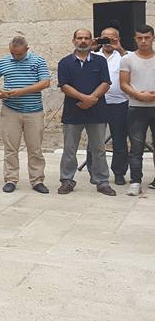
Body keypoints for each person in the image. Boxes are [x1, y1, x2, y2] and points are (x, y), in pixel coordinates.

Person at [0, 36, 51, 194]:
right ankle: (10, 179)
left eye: (19, 54)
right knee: (10, 148)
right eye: (13, 53)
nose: (15, 56)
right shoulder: (3, 62)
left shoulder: (38, 61)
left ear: (27, 49)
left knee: (35, 148)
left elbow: (45, 82)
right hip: (10, 111)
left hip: (34, 111)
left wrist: (20, 92)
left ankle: (37, 180)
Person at [56, 29, 115, 196]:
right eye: (79, 38)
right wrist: (85, 98)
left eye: (86, 38)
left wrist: (92, 99)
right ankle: (67, 180)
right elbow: (64, 86)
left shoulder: (100, 61)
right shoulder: (65, 63)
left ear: (91, 41)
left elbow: (106, 83)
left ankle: (102, 181)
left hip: (97, 112)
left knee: (99, 149)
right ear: (73, 41)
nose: (83, 41)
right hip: (73, 112)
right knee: (69, 149)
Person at [87, 26, 130, 185]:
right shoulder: (93, 56)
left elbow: (135, 65)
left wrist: (120, 48)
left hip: (119, 103)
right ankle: (94, 172)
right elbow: (77, 60)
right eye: (105, 38)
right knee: (94, 140)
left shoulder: (125, 56)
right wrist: (90, 47)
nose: (108, 41)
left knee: (119, 140)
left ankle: (119, 172)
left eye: (112, 38)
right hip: (97, 102)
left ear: (118, 39)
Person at [120, 25, 155, 196]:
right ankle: (135, 181)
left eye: (147, 37)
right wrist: (139, 95)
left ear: (153, 38)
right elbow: (123, 83)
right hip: (136, 108)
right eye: (140, 38)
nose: (143, 41)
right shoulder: (127, 59)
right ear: (135, 39)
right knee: (136, 147)